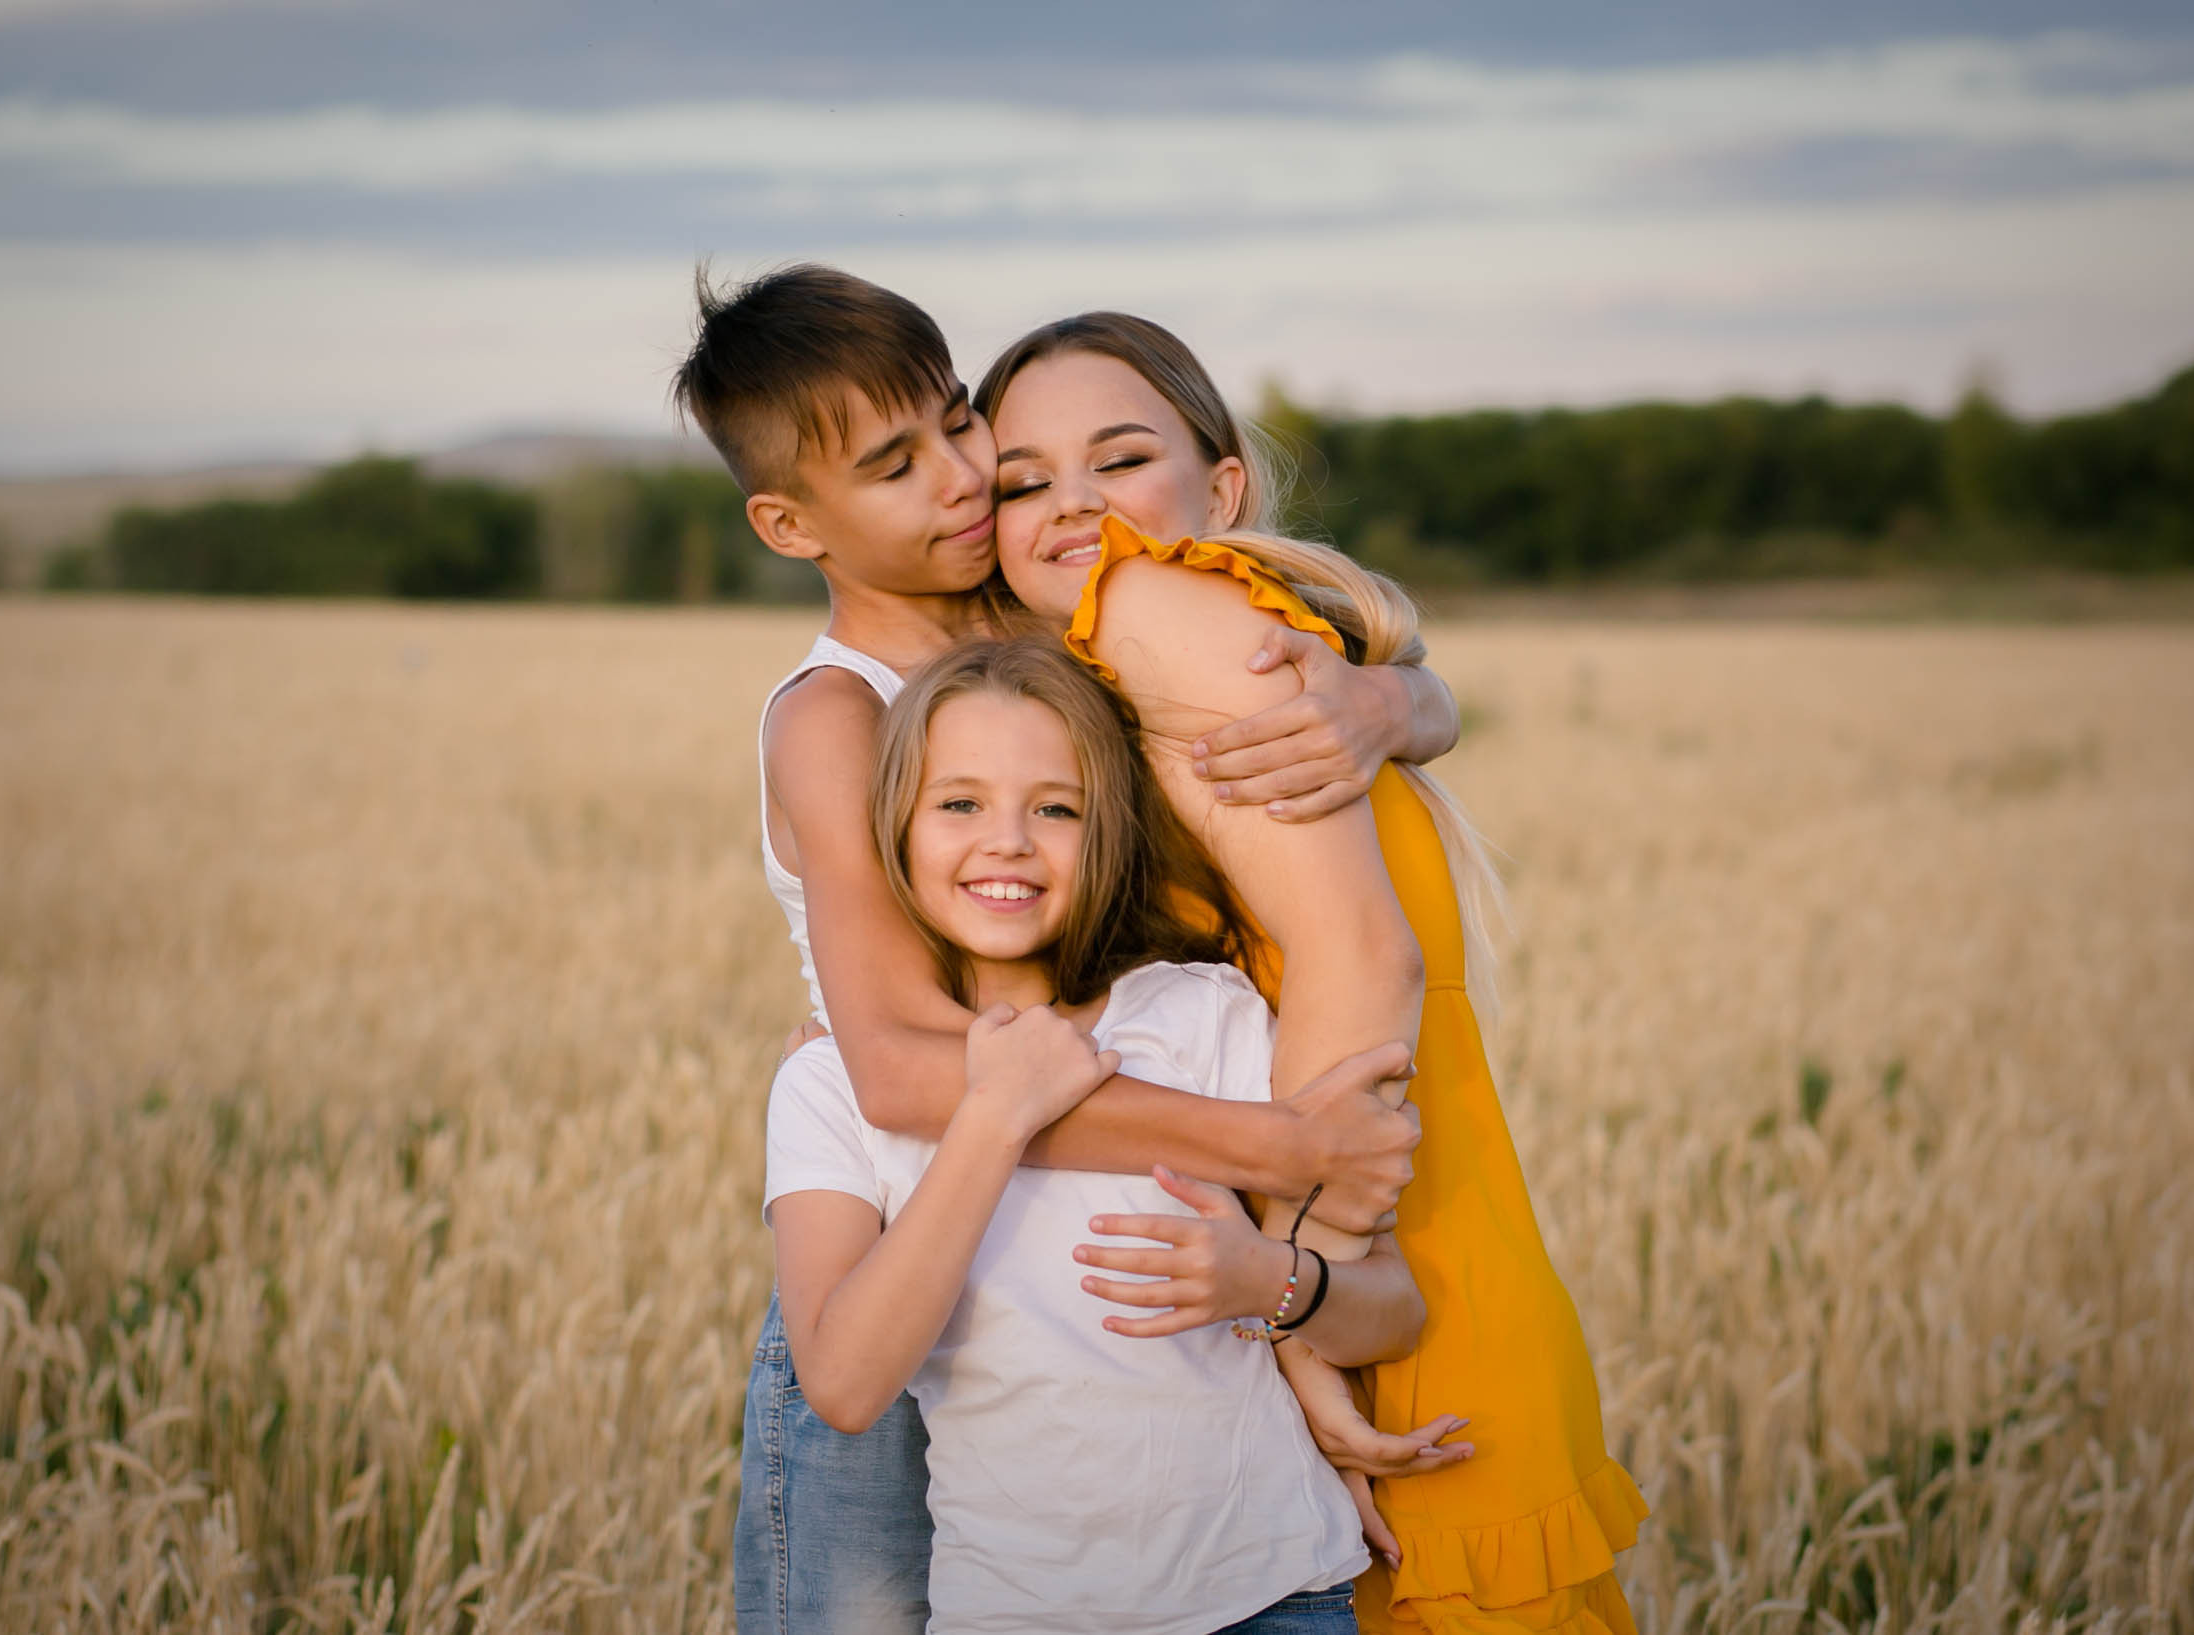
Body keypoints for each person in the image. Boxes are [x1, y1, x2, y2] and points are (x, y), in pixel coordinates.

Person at [670, 266, 1464, 1634]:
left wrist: (1394, 695)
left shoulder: (1054, 632)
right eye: (896, 462)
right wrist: (1271, 1147)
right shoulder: (835, 717)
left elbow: (1315, 677)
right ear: (790, 522)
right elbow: (910, 1078)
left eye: (956, 422)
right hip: (903, 1249)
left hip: (1104, 1269)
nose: (965, 476)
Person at [974, 312, 1648, 1634]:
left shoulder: (1157, 605)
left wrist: (1311, 1297)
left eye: (1115, 458)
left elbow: (1360, 957)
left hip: (1376, 1256)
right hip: (1409, 1233)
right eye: (1020, 478)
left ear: (1220, 487)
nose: (1067, 505)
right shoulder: (1147, 650)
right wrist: (1406, 697)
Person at [768, 636, 1432, 1633]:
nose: (1006, 842)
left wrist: (1263, 1281)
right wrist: (993, 1115)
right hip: (1018, 1611)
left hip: (1275, 1595)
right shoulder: (830, 1084)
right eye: (958, 804)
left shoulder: (1202, 1016)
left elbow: (1389, 1311)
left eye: (1055, 808)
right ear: (890, 828)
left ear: (1109, 834)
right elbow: (847, 1386)